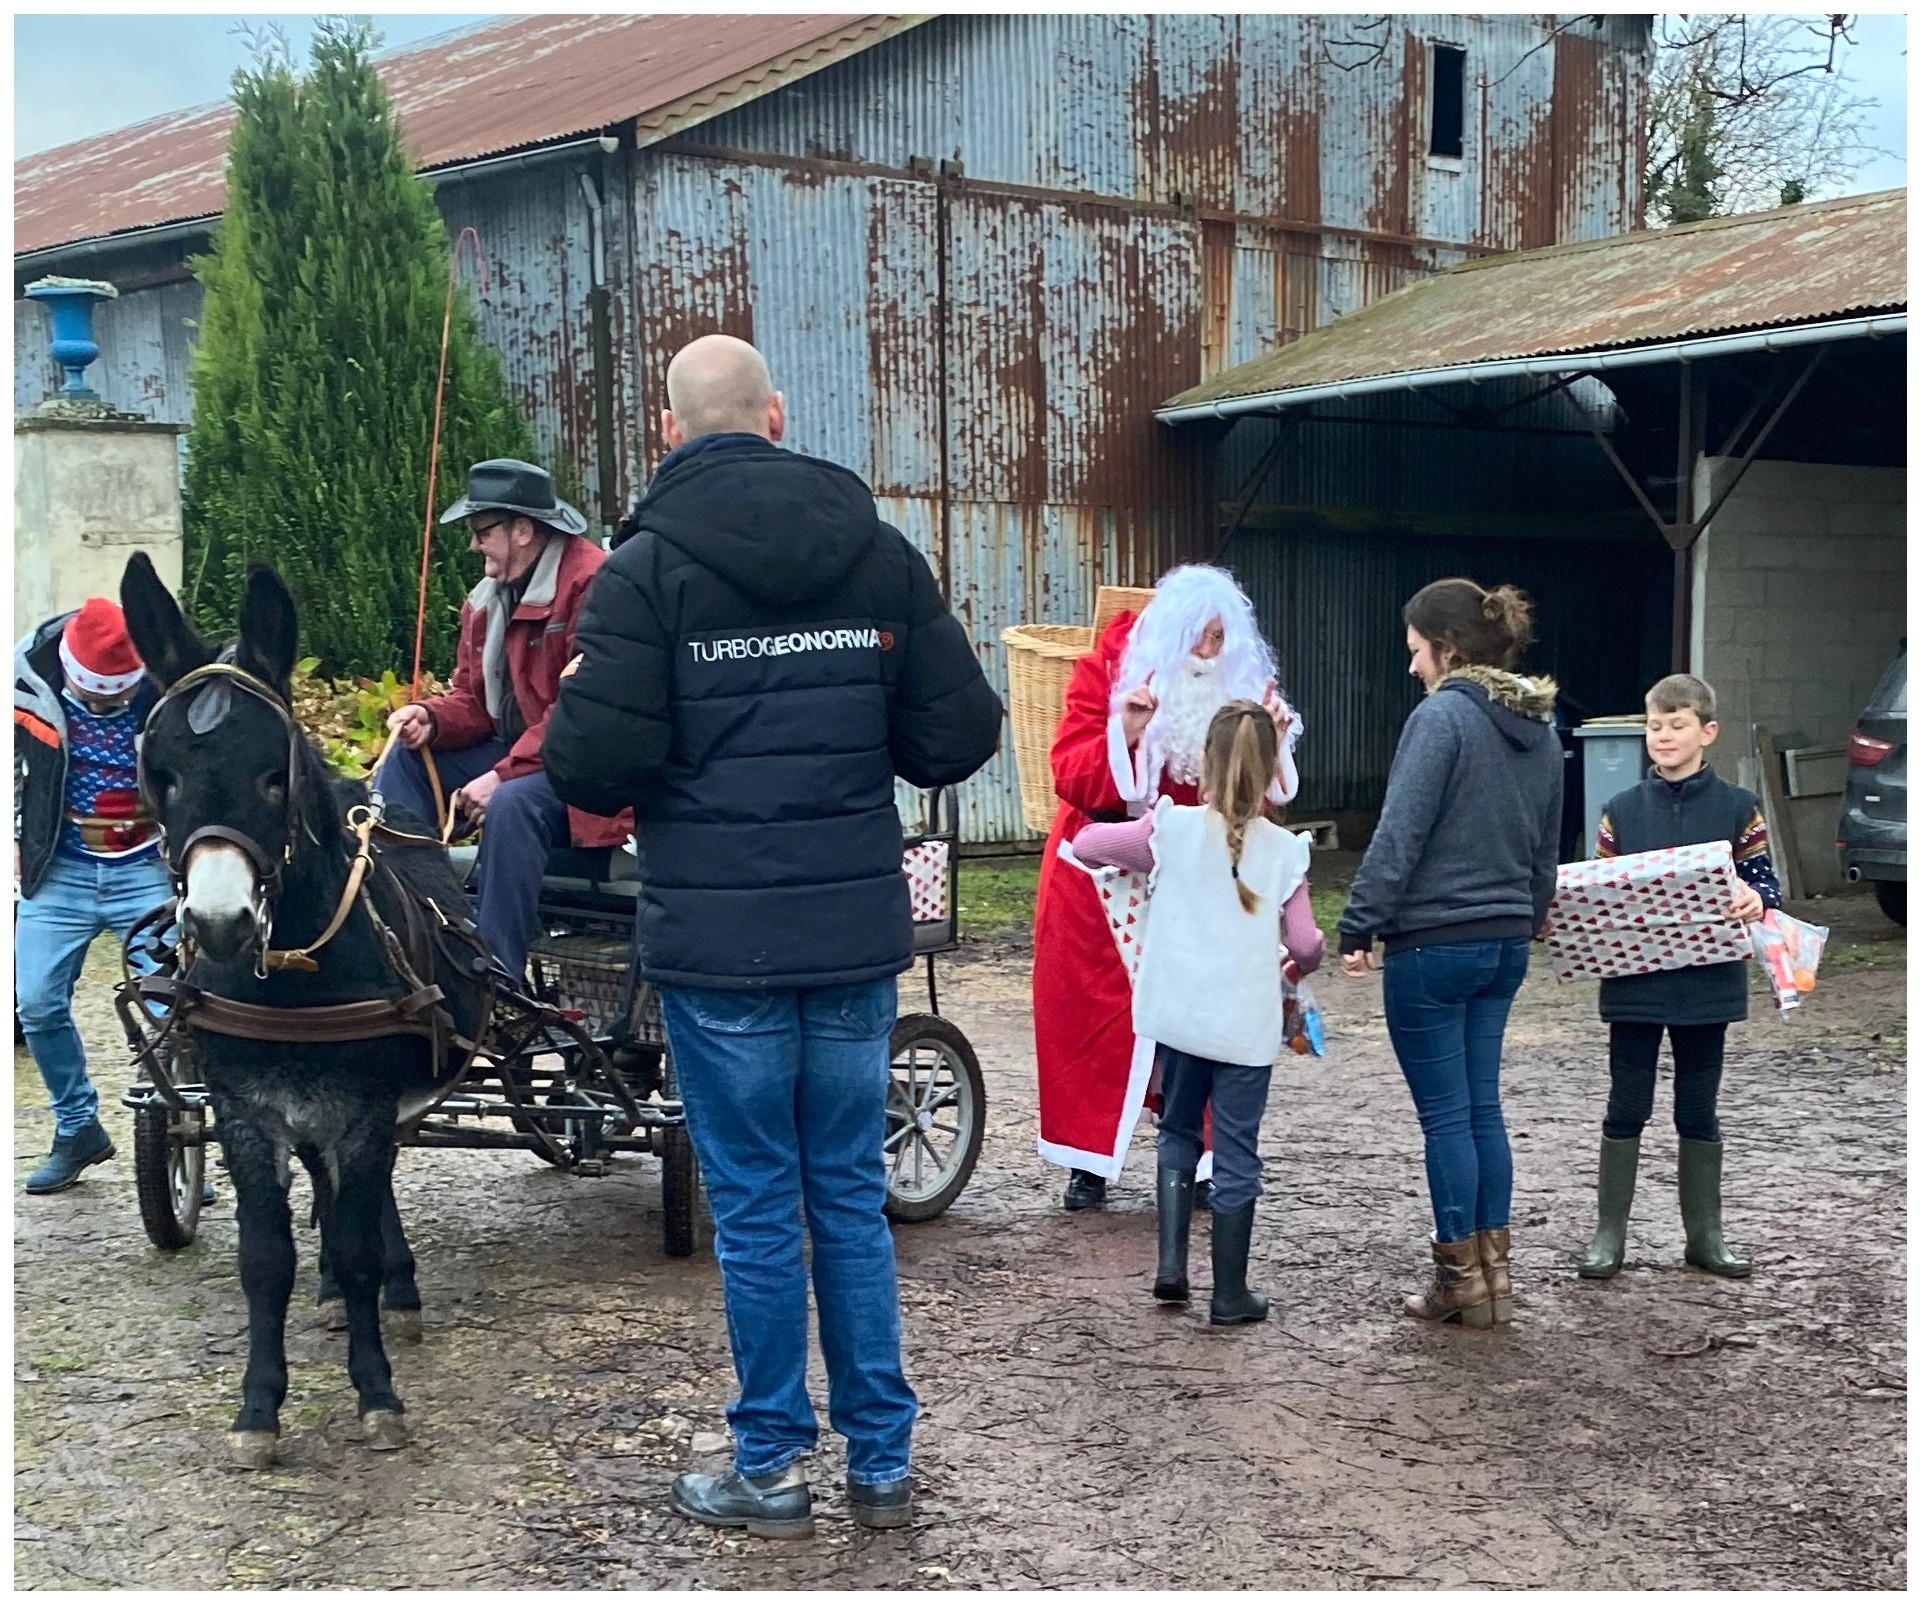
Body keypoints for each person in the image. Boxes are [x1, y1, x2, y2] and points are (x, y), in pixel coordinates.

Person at [543, 334, 1002, 1539]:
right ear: (779, 415)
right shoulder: (879, 557)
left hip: (718, 938)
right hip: (850, 930)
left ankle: (768, 1465)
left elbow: (591, 761)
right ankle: (884, 1466)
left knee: (755, 1208)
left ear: (670, 427)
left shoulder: (642, 573)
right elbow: (955, 739)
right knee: (846, 1192)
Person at [1033, 564, 1303, 1211]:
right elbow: (1068, 771)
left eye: (1218, 637)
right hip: (1099, 881)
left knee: (1199, 1021)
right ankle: (1089, 1162)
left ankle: (1200, 1158)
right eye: (1199, 637)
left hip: (1196, 879)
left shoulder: (1242, 684)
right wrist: (1124, 731)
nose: (1208, 651)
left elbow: (1258, 801)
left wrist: (1275, 740)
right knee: (1094, 1024)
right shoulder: (1108, 668)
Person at [1337, 578, 1562, 1329]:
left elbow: (1399, 831)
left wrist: (1359, 923)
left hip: (1433, 946)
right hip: (1503, 943)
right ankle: (1494, 1276)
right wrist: (1525, 917)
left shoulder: (1442, 720)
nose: (1411, 667)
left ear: (1450, 649)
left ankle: (1457, 1282)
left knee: (1444, 1119)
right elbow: (1544, 848)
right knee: (1481, 1109)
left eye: (1414, 651)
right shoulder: (1540, 728)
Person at [1071, 702, 1324, 1325]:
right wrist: (1297, 970)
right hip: (1243, 1028)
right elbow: (1307, 944)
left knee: (1179, 1130)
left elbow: (1085, 842)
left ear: (1205, 765)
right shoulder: (1285, 852)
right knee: (1236, 1150)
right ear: (1269, 771)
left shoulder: (1170, 829)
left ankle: (1171, 1269)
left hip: (1177, 1017)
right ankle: (1229, 1294)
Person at [374, 459, 631, 985]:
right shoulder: (486, 600)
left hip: (587, 769)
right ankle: (408, 940)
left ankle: (493, 984)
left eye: (482, 532)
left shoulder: (594, 582)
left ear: (523, 528)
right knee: (403, 762)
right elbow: (473, 701)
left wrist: (502, 775)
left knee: (513, 804)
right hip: (522, 757)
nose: (474, 546)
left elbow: (582, 714)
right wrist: (430, 717)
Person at [1577, 673, 1779, 1282]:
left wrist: (1754, 899)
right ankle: (1608, 1233)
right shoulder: (1620, 811)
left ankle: (1705, 1237)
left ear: (1707, 732)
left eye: (1677, 724)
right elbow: (1598, 890)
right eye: (1654, 725)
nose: (1663, 735)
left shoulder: (1739, 807)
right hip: (1634, 985)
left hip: (1708, 984)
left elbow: (1766, 883)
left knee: (1697, 1108)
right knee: (1627, 1105)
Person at [14, 599, 172, 1194]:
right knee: (36, 1004)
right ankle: (77, 1126)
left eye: (118, 699)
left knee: (170, 1007)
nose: (108, 707)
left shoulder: (162, 687)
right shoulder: (27, 677)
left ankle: (177, 1141)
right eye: (97, 699)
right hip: (60, 869)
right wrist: (13, 836)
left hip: (144, 868)